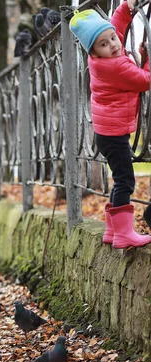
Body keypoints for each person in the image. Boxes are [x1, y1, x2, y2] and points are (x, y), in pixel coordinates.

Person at [70, 0, 151, 249]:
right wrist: (148, 59)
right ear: (93, 52)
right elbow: (144, 80)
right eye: (104, 45)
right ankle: (124, 235)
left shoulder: (102, 57)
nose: (113, 45)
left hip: (108, 132)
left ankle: (111, 231)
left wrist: (127, 7)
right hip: (113, 134)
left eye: (113, 39)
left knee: (119, 179)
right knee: (125, 181)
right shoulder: (114, 66)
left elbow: (115, 26)